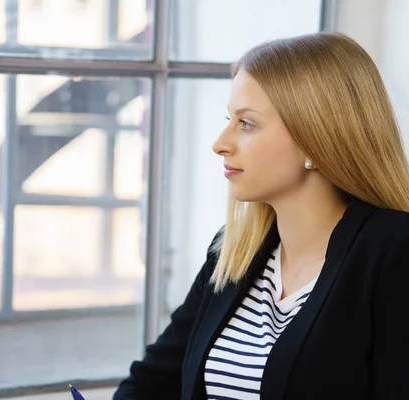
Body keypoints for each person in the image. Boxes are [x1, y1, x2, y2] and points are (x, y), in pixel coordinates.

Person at [113, 32, 409, 400]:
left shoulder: (393, 253)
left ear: (315, 138)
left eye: (246, 124)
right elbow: (148, 383)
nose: (220, 143)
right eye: (229, 119)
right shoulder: (233, 252)